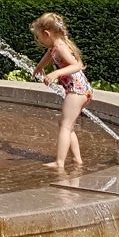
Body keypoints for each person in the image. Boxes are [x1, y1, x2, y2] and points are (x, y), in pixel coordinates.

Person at [31, 12, 92, 171]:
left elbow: (77, 65)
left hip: (76, 91)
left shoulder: (61, 47)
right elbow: (48, 56)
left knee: (65, 126)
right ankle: (78, 160)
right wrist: (39, 67)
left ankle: (60, 162)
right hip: (82, 90)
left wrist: (56, 73)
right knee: (67, 124)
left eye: (39, 37)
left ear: (47, 34)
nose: (39, 41)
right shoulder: (56, 46)